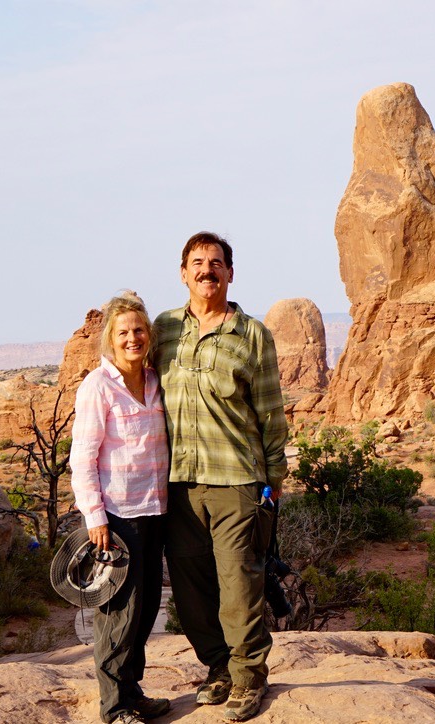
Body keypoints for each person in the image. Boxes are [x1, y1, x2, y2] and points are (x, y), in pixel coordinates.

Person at [154, 232, 288, 722]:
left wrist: (274, 482)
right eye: (197, 262)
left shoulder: (252, 335)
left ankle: (249, 677)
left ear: (230, 273)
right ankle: (219, 669)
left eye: (216, 263)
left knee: (238, 585)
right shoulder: (165, 329)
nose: (206, 270)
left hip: (236, 480)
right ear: (183, 272)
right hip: (177, 483)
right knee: (191, 590)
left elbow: (271, 413)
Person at [70, 291, 171, 724]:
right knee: (118, 614)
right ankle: (114, 708)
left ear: (149, 334)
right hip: (118, 518)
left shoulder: (153, 380)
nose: (133, 338)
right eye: (123, 332)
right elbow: (82, 457)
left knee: (146, 609)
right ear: (111, 339)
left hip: (156, 510)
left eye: (139, 330)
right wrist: (95, 517)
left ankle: (132, 691)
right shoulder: (99, 385)